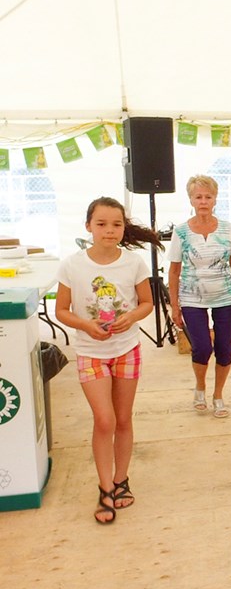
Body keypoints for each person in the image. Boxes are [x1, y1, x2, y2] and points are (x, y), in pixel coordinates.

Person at [55, 198, 160, 523]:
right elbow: (61, 309)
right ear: (88, 226)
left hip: (127, 350)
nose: (109, 230)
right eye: (101, 224)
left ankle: (121, 480)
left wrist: (130, 318)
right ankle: (104, 489)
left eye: (116, 224)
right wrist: (86, 325)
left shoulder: (133, 263)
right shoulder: (72, 264)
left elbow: (147, 303)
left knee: (124, 419)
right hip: (90, 353)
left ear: (123, 227)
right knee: (105, 420)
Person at [168, 175, 231, 419]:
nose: (203, 201)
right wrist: (174, 305)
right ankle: (200, 386)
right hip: (191, 298)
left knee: (225, 348)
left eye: (208, 197)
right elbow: (174, 270)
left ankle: (218, 395)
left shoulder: (227, 228)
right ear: (191, 199)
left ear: (215, 200)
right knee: (201, 347)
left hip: (225, 297)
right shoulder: (181, 232)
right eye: (198, 197)